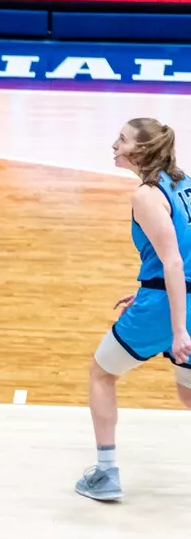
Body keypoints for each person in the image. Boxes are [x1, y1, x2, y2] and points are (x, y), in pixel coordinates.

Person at [74, 119, 191, 502]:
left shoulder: (145, 195)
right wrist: (147, 282)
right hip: (173, 295)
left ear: (140, 151)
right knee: (188, 395)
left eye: (121, 140)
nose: (114, 145)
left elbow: (173, 263)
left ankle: (106, 474)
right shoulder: (185, 183)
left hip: (167, 307)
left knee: (101, 373)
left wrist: (177, 330)